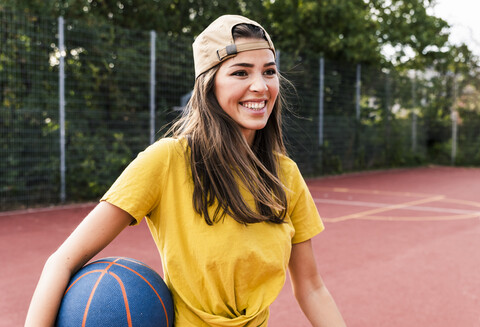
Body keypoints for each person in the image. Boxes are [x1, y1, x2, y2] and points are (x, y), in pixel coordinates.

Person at [25, 15, 346, 327]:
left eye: (269, 71)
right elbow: (62, 262)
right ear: (209, 85)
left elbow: (311, 287)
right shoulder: (168, 161)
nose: (260, 86)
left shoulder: (284, 175)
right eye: (241, 73)